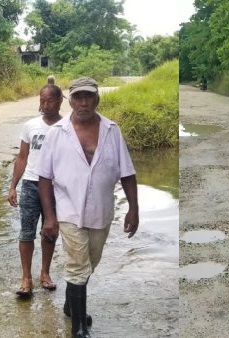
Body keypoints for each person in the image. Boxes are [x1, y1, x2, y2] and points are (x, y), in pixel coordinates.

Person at [37, 77, 139, 338]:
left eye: (88, 97)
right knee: (78, 265)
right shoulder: (56, 133)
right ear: (70, 101)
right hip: (68, 211)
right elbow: (44, 178)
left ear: (97, 99)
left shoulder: (111, 130)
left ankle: (71, 305)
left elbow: (127, 172)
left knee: (90, 262)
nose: (83, 102)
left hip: (101, 211)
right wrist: (49, 217)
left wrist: (133, 208)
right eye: (78, 97)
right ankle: (79, 329)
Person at [8, 83, 64, 298]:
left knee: (50, 230)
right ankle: (26, 278)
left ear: (60, 101)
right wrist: (13, 186)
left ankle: (45, 273)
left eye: (50, 101)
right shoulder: (30, 125)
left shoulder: (67, 126)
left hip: (56, 186)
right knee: (26, 232)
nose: (45, 105)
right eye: (42, 100)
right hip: (31, 184)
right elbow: (22, 157)